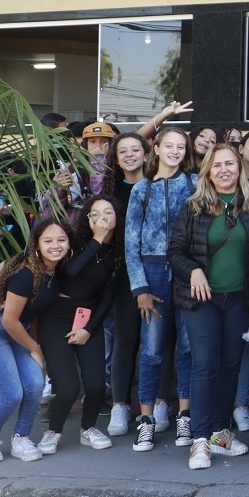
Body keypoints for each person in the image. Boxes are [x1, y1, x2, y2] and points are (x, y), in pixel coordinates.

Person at [168, 144, 249, 469]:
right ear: (208, 172)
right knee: (204, 364)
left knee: (231, 365)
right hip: (202, 300)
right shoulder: (194, 207)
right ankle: (199, 440)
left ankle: (219, 432)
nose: (224, 170)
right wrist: (194, 270)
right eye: (217, 166)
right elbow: (175, 251)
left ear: (240, 169)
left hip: (240, 301)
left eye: (230, 164)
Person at [123, 127, 199, 452]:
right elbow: (130, 241)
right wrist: (139, 286)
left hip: (184, 271)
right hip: (151, 271)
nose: (175, 151)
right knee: (152, 349)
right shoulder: (142, 188)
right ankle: (146, 420)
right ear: (157, 147)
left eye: (181, 146)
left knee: (186, 347)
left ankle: (185, 415)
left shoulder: (194, 185)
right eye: (169, 145)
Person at [0, 220, 72, 464]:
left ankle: (22, 437)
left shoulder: (54, 272)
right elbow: (9, 320)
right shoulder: (25, 274)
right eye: (48, 241)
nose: (55, 245)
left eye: (61, 240)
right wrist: (35, 348)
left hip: (19, 333)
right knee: (12, 393)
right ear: (37, 245)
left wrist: (34, 344)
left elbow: (33, 315)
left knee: (35, 384)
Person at [37, 196, 121, 451]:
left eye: (108, 213)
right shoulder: (75, 243)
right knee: (68, 387)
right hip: (56, 316)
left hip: (88, 317)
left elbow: (107, 298)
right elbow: (72, 271)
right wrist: (97, 239)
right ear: (87, 219)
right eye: (95, 214)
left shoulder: (118, 254)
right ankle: (54, 431)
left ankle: (88, 428)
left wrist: (89, 329)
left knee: (96, 384)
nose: (102, 219)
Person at [103, 131, 151, 436]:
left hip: (157, 272)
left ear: (146, 154)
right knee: (125, 338)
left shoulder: (157, 186)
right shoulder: (110, 192)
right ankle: (120, 406)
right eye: (124, 151)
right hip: (121, 275)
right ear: (116, 158)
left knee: (157, 342)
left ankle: (155, 403)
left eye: (136, 149)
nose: (130, 155)